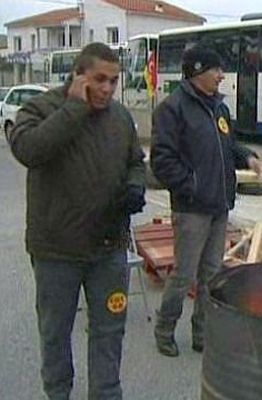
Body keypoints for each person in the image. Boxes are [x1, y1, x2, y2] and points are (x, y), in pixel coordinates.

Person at [8, 42, 146, 400]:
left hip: (109, 249)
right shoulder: (40, 108)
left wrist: (134, 185)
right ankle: (58, 394)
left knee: (109, 332)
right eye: (99, 79)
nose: (107, 89)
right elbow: (28, 150)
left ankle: (106, 394)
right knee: (55, 333)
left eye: (114, 81)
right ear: (78, 75)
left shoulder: (119, 117)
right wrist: (74, 107)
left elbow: (136, 160)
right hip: (57, 251)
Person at [151, 45, 262, 357]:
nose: (222, 76)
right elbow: (162, 160)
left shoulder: (219, 108)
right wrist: (192, 186)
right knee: (184, 273)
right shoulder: (173, 108)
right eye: (216, 70)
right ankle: (165, 330)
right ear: (198, 71)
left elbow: (227, 144)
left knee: (212, 275)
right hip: (191, 209)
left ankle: (202, 332)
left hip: (218, 205)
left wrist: (247, 157)